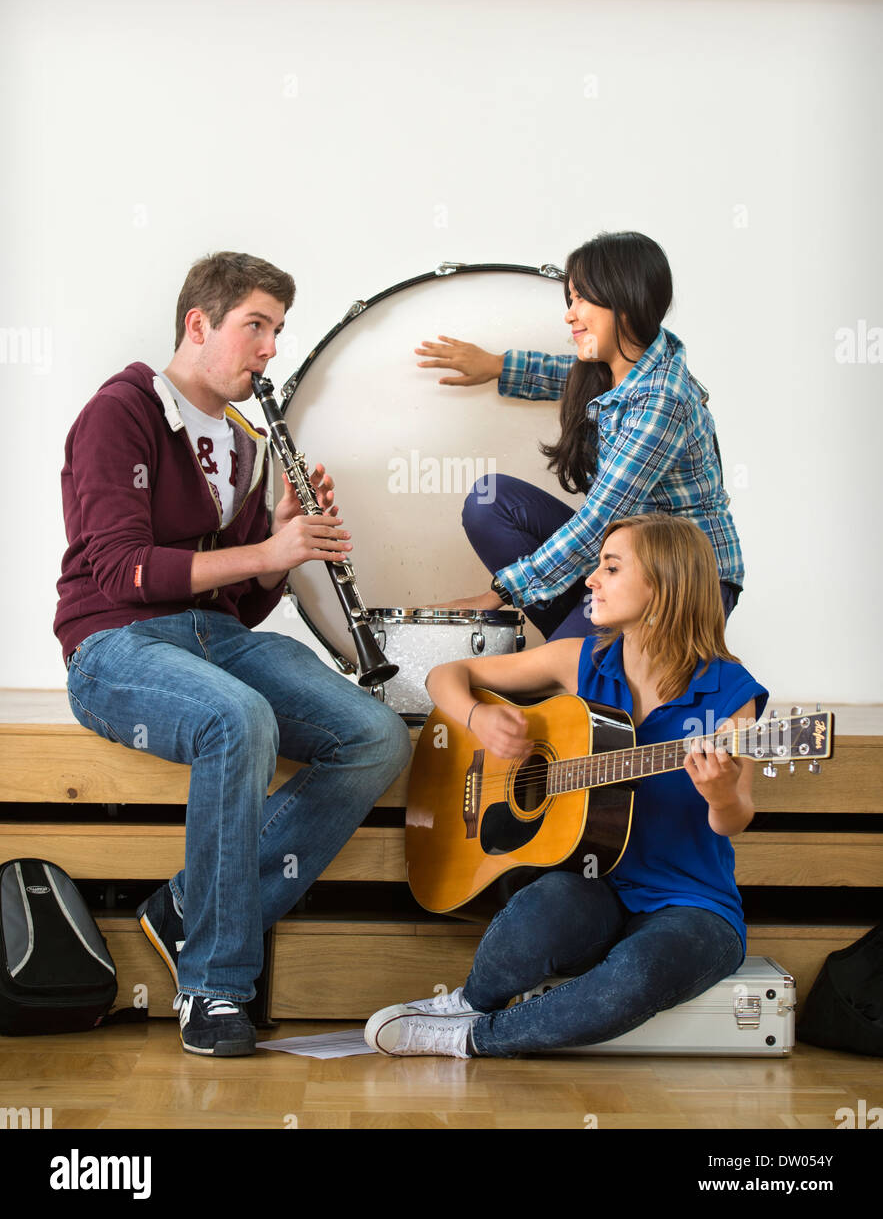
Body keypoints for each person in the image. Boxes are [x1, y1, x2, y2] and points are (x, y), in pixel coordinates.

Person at [55, 252, 411, 1057]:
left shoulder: (249, 443)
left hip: (213, 637)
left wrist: (283, 546)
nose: (269, 349)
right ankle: (214, 985)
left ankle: (189, 905)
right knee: (237, 718)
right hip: (115, 643)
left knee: (376, 737)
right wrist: (265, 550)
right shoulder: (122, 411)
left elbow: (241, 602)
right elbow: (123, 569)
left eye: (277, 331)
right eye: (256, 325)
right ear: (199, 324)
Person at [365, 512, 767, 1058]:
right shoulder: (582, 662)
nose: (590, 580)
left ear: (665, 584)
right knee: (540, 907)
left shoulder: (729, 691)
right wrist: (478, 719)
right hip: (595, 887)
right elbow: (447, 677)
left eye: (610, 567)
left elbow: (735, 815)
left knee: (639, 973)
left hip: (692, 906)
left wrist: (719, 793)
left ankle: (470, 1038)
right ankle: (472, 1001)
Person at [414, 231, 744, 642]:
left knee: (558, 677)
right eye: (570, 300)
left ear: (624, 300)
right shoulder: (614, 370)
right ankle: (588, 645)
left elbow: (599, 523)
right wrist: (497, 365)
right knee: (491, 502)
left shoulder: (664, 399)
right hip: (624, 566)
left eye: (582, 299)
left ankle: (586, 655)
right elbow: (564, 376)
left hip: (684, 582)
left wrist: (495, 595)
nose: (570, 314)